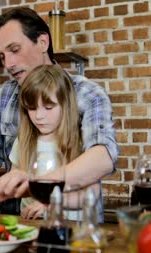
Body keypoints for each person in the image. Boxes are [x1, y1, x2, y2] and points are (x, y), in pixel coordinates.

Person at [0, 7, 118, 215]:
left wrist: (41, 188)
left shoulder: (88, 93)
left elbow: (103, 157)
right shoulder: (3, 96)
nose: (8, 64)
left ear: (43, 42)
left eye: (15, 49)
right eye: (2, 56)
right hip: (19, 221)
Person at [8, 64, 103, 221]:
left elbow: (92, 192)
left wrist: (53, 202)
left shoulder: (83, 140)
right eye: (32, 108)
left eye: (48, 107)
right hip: (33, 228)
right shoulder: (22, 141)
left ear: (65, 105)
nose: (39, 116)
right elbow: (15, 181)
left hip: (72, 228)